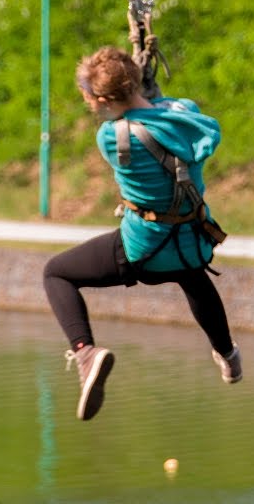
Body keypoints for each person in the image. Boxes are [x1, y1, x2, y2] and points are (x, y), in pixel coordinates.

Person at [42, 45, 241, 421]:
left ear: (101, 99)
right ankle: (227, 354)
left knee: (56, 272)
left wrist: (133, 89)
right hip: (192, 244)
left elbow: (134, 117)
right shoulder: (188, 117)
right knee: (194, 279)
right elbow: (165, 110)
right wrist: (143, 86)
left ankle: (86, 352)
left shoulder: (112, 138)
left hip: (143, 250)